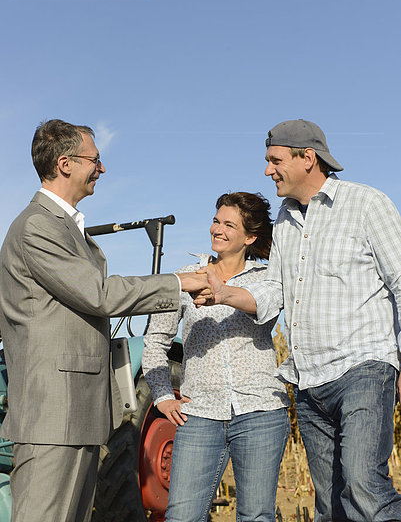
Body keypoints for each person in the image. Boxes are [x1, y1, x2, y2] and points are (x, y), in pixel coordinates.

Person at [0, 119, 209, 522]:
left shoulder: (64, 227)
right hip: (53, 420)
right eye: (95, 159)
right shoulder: (39, 226)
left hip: (73, 416)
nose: (102, 168)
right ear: (65, 163)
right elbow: (99, 294)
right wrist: (178, 282)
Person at [197, 119, 401, 521]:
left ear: (308, 158)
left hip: (363, 367)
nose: (268, 170)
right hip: (309, 384)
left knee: (364, 488)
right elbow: (275, 291)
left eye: (275, 160)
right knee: (329, 504)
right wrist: (223, 294)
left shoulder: (366, 204)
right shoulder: (285, 223)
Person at [142, 191, 290, 522]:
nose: (217, 229)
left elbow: (262, 307)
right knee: (182, 516)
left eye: (229, 225)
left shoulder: (267, 280)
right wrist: (163, 395)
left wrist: (223, 295)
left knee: (255, 516)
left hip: (260, 411)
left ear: (250, 236)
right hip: (200, 414)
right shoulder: (186, 277)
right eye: (215, 220)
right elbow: (155, 340)